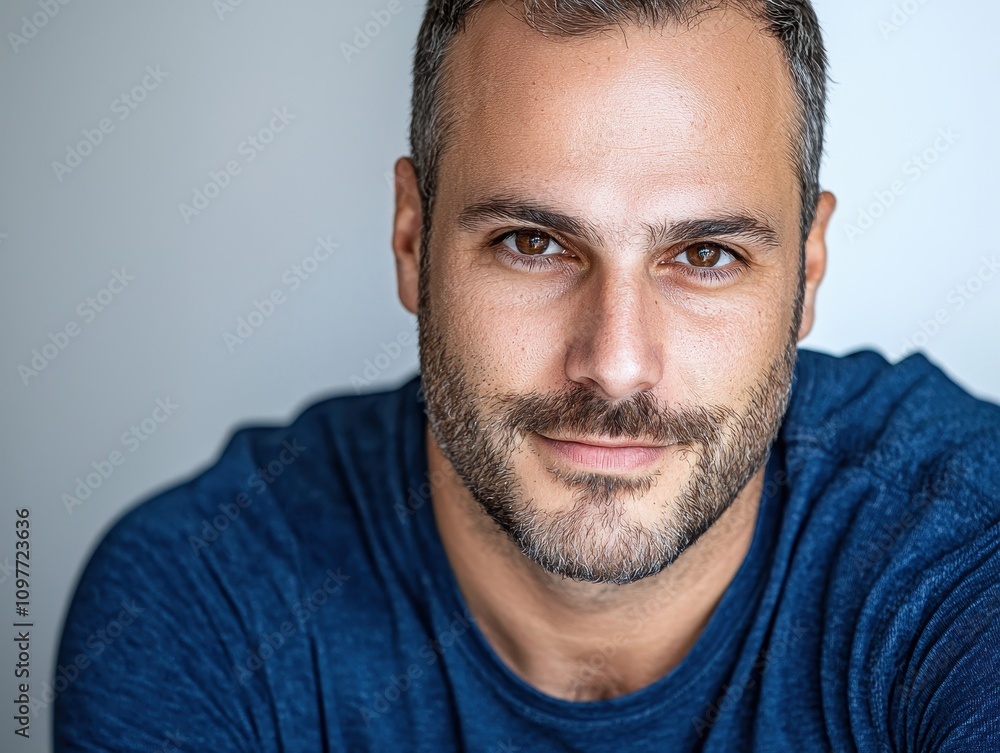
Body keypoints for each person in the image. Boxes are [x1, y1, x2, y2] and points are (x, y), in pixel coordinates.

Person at [54, 1, 1000, 750]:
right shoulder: (199, 611)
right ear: (412, 238)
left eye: (706, 255)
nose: (617, 362)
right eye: (532, 242)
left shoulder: (960, 550)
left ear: (808, 269)